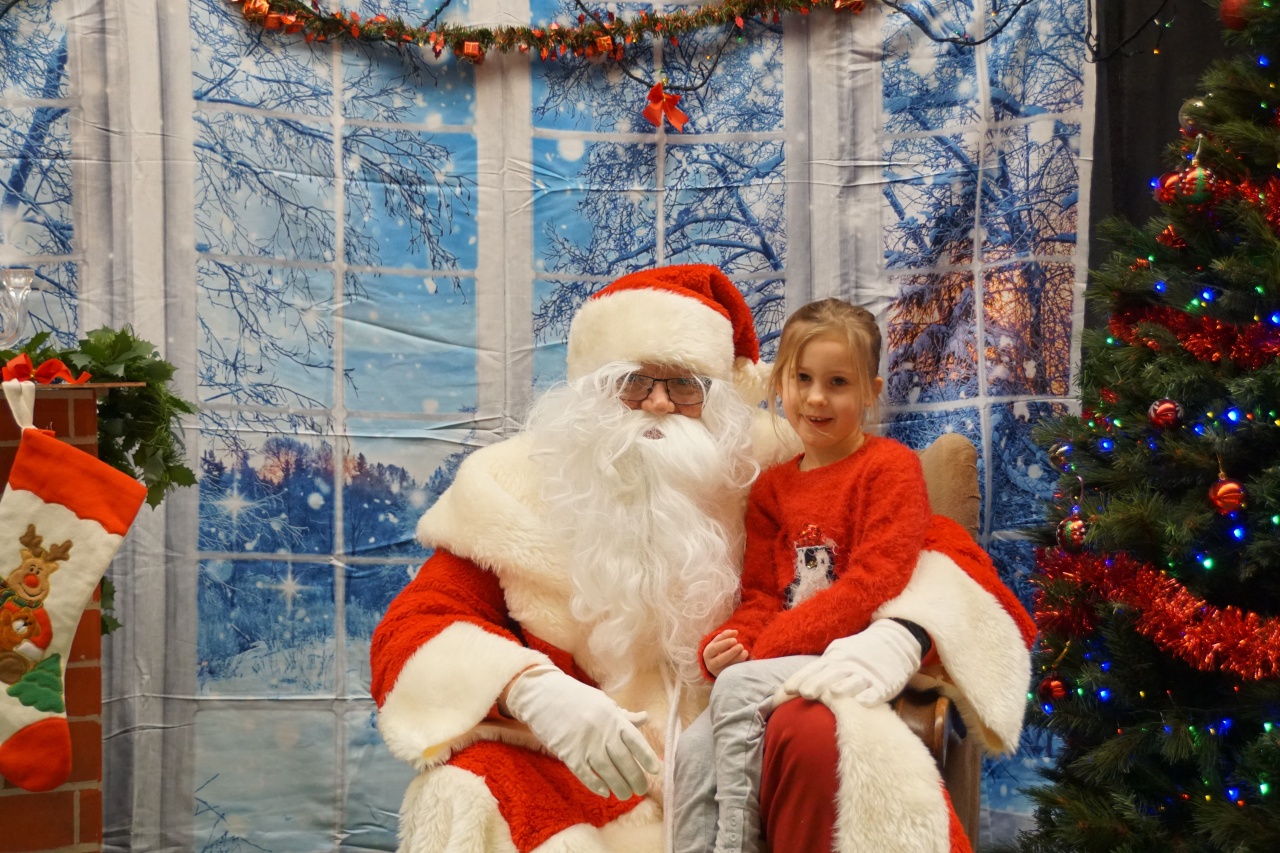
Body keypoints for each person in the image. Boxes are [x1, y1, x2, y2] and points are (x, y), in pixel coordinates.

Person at [370, 264, 1036, 853]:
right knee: (458, 789)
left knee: (825, 736)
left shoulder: (770, 462)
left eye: (684, 385)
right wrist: (531, 689)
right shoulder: (515, 485)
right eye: (634, 382)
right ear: (593, 392)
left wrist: (904, 633)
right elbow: (419, 621)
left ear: (714, 395)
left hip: (748, 765)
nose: (660, 403)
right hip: (588, 781)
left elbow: (934, 550)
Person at [672, 297, 950, 853]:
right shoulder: (773, 488)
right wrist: (731, 643)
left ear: (870, 391)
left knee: (738, 687)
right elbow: (761, 595)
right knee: (693, 751)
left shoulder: (888, 467)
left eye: (837, 382)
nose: (816, 397)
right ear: (781, 382)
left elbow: (875, 581)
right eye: (802, 378)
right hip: (783, 658)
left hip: (854, 655)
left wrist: (762, 652)